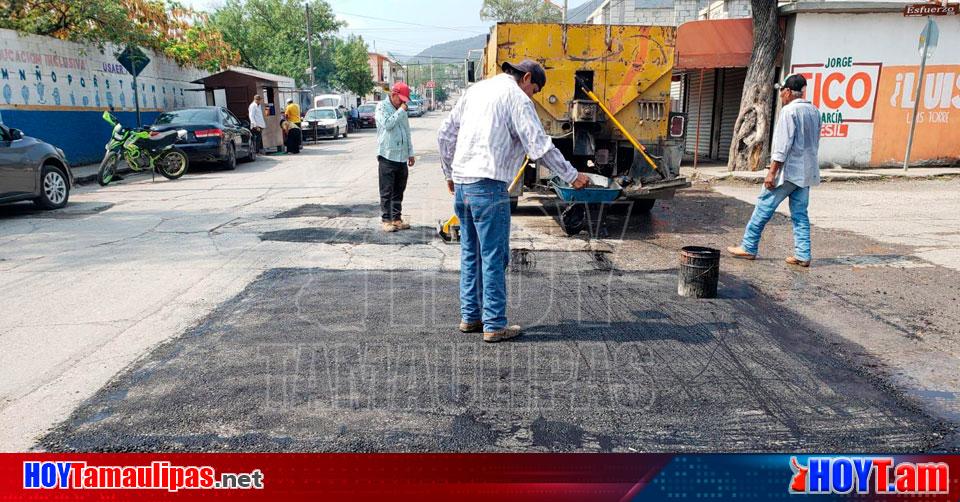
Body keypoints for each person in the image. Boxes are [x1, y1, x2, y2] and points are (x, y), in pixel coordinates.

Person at [437, 59, 590, 343]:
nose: (533, 95)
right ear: (526, 78)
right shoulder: (517, 98)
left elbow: (445, 134)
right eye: (535, 89)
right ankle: (494, 324)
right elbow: (539, 146)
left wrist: (449, 172)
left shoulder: (475, 91)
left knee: (471, 253)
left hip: (462, 184)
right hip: (488, 186)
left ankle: (470, 317)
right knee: (494, 257)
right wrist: (572, 176)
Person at [727, 74, 821, 267]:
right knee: (800, 213)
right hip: (806, 172)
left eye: (781, 91)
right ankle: (803, 254)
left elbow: (782, 146)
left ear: (787, 91)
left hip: (789, 172)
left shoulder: (789, 112)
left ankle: (748, 246)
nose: (781, 96)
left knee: (763, 206)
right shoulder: (814, 111)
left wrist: (772, 173)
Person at [375, 82, 416, 232]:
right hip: (387, 155)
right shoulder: (381, 107)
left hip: (401, 156)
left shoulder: (402, 109)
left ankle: (397, 219)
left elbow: (407, 131)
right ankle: (386, 220)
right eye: (401, 99)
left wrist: (410, 153)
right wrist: (400, 111)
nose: (404, 102)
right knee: (387, 190)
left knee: (399, 189)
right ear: (393, 95)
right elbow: (388, 124)